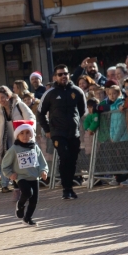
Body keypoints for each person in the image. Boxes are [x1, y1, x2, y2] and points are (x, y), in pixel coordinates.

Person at [38, 64, 87, 200]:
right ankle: (66, 189)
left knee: (72, 160)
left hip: (73, 133)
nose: (63, 76)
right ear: (55, 77)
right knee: (64, 157)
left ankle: (70, 187)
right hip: (58, 133)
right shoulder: (50, 93)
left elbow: (82, 110)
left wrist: (75, 121)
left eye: (65, 73)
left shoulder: (77, 91)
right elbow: (40, 113)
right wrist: (47, 129)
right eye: (60, 74)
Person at [0, 86, 35, 193]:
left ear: (8, 96)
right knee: (13, 167)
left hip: (22, 141)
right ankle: (18, 191)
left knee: (25, 167)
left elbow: (31, 118)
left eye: (3, 97)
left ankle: (29, 190)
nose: (1, 100)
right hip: (7, 144)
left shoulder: (19, 105)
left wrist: (30, 133)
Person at [1, 121, 49, 226]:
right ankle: (20, 205)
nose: (25, 136)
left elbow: (41, 161)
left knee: (34, 200)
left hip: (34, 177)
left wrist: (43, 171)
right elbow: (5, 165)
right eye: (22, 133)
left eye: (28, 133)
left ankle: (27, 218)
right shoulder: (14, 149)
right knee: (28, 192)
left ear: (31, 134)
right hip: (21, 177)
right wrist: (10, 174)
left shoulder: (35, 147)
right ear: (17, 135)